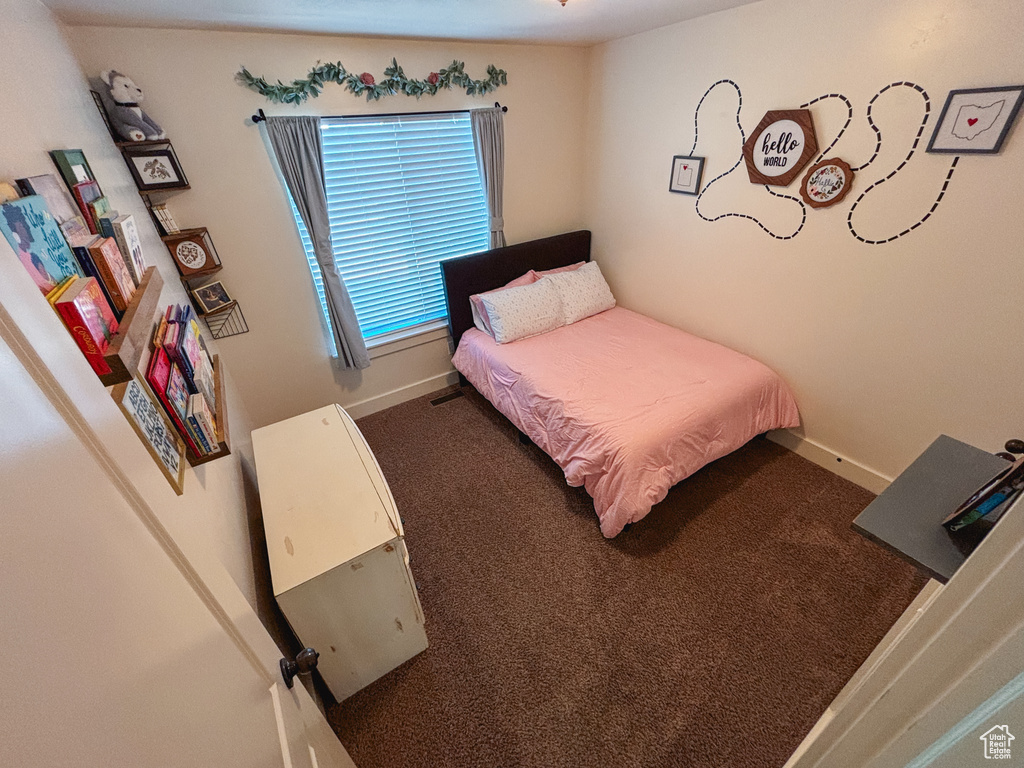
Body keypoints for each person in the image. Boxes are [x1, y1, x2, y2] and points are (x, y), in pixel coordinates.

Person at [3, 204, 58, 293]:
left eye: (24, 228)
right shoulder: (19, 260)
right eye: (20, 229)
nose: (25, 234)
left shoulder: (32, 257)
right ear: (15, 235)